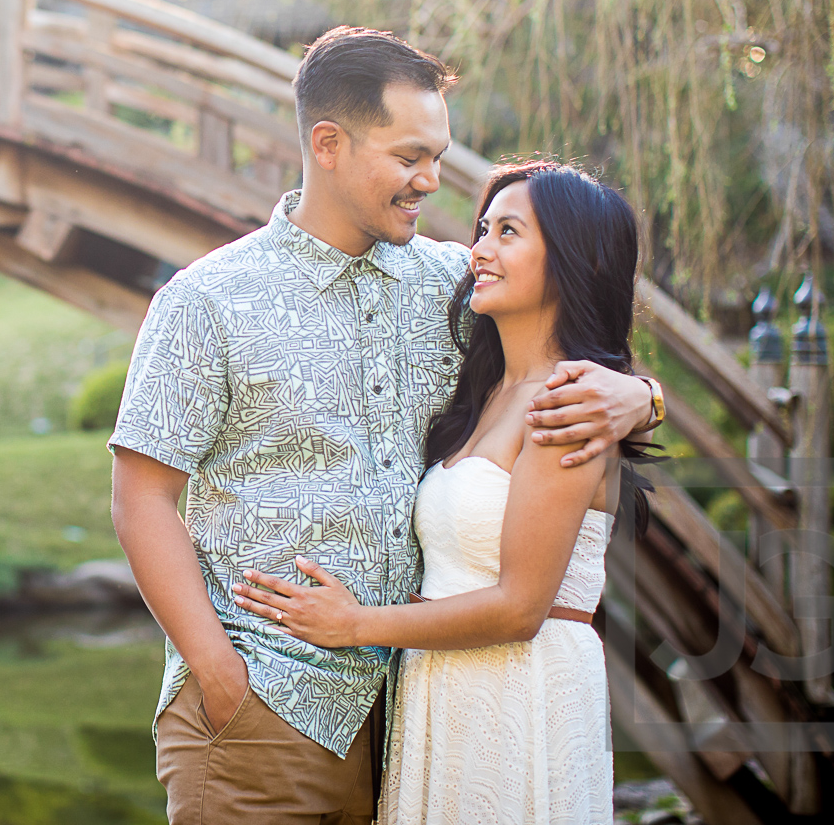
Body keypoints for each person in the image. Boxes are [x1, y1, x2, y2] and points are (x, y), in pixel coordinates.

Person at [109, 28, 662, 825]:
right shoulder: (208, 300)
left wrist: (642, 397)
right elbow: (141, 500)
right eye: (410, 157)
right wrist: (219, 671)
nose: (430, 182)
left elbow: (575, 324)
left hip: (418, 710)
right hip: (266, 706)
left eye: (436, 157)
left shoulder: (449, 284)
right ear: (328, 144)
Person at [231, 161, 653, 824]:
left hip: (518, 688)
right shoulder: (488, 392)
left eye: (508, 232)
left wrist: (356, 626)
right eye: (483, 227)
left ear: (574, 258)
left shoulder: (568, 405)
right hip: (447, 682)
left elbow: (520, 607)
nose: (479, 249)